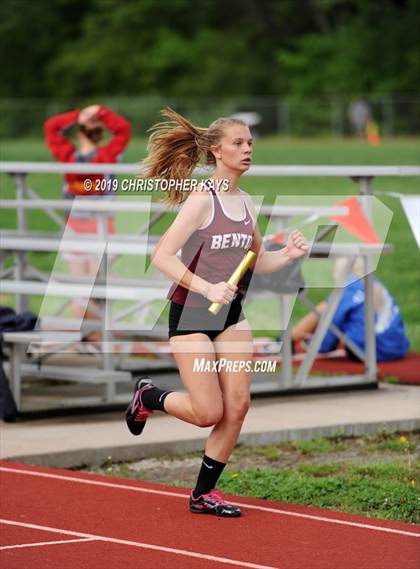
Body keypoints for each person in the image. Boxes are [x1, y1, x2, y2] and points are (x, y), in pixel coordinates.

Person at [125, 108, 308, 517]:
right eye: (238, 143)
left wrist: (288, 255)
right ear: (216, 151)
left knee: (238, 408)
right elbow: (162, 256)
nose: (247, 150)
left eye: (250, 143)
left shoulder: (245, 202)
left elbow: (256, 261)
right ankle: (149, 395)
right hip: (190, 315)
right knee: (208, 413)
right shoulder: (201, 200)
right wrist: (207, 286)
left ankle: (203, 494)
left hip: (230, 317)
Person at [44, 105, 132, 346]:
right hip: (94, 226)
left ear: (79, 134)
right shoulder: (107, 154)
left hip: (85, 226)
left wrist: (77, 115)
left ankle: (88, 334)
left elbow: (51, 127)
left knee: (84, 285)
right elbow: (123, 130)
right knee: (95, 284)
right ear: (100, 134)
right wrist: (99, 113)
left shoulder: (69, 155)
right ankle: (91, 335)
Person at [291, 258, 410, 362]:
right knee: (351, 314)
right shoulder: (378, 285)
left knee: (326, 307)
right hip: (397, 347)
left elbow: (326, 339)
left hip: (368, 351)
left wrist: (310, 341)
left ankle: (288, 339)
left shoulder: (347, 289)